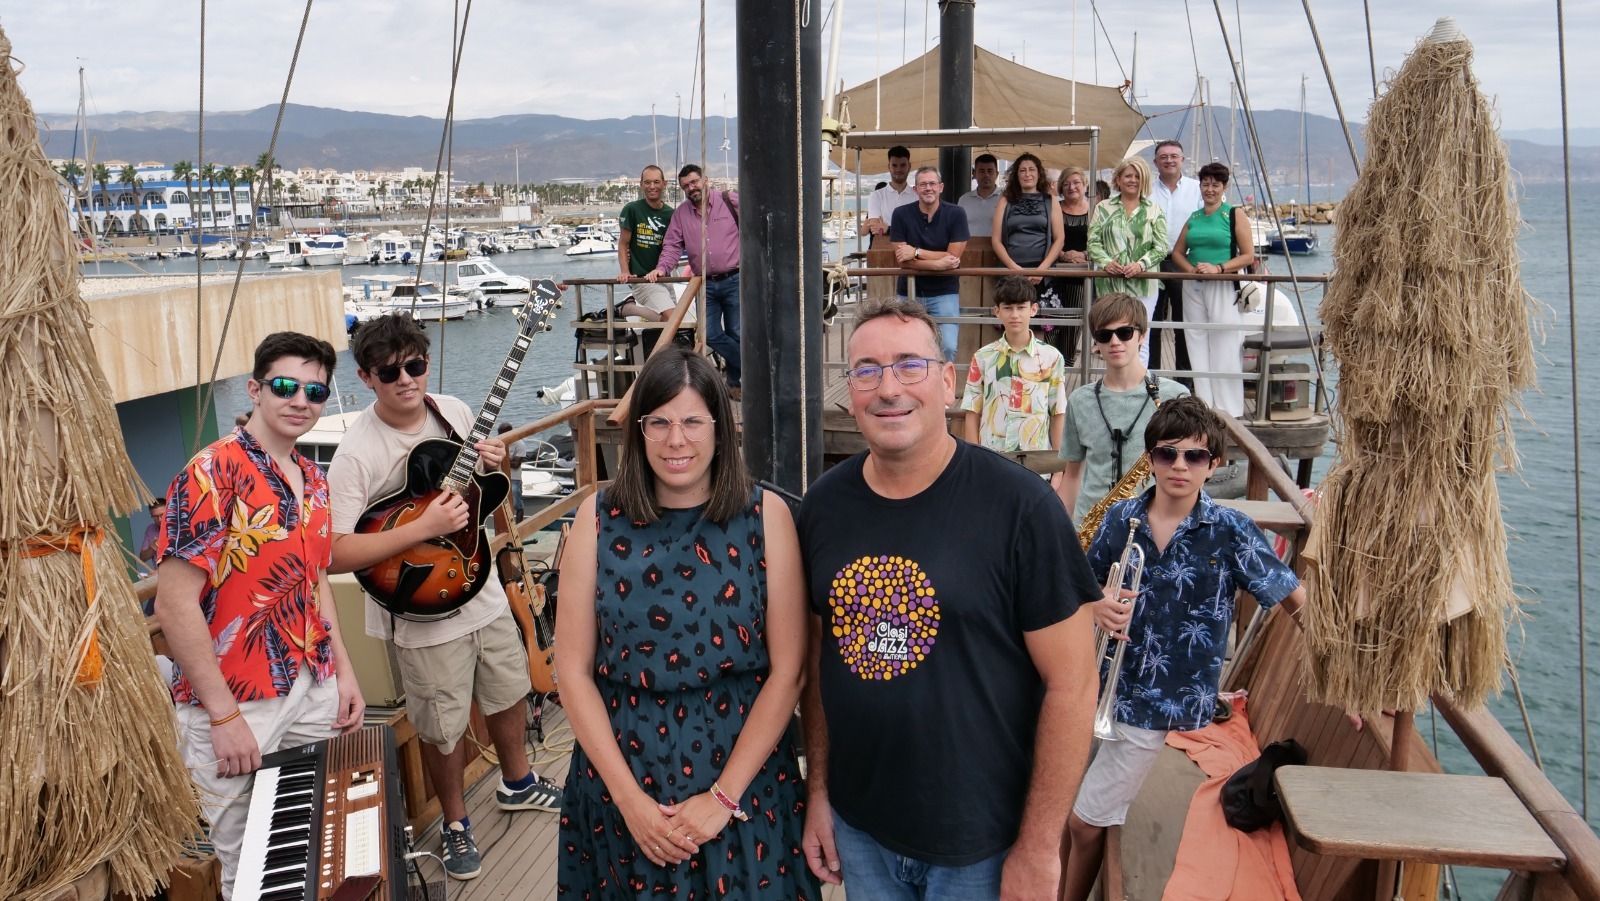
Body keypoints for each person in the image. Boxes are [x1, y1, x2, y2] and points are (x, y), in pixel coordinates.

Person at [798, 297, 1101, 900]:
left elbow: (1074, 684)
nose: (888, 388)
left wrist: (1040, 847)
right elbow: (817, 665)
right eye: (866, 370)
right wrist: (819, 794)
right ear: (849, 390)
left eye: (909, 365)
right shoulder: (823, 509)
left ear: (947, 382)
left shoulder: (1021, 509)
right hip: (862, 830)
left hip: (982, 843)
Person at [554, 347, 819, 899]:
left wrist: (722, 798)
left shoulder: (765, 517)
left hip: (741, 773)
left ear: (720, 430)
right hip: (623, 775)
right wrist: (629, 801)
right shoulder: (596, 520)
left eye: (693, 421)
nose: (677, 441)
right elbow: (572, 670)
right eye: (660, 423)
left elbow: (789, 670)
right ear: (640, 431)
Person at [326, 314, 562, 882]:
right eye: (390, 371)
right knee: (441, 722)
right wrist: (419, 528)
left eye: (416, 365)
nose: (407, 379)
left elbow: (476, 490)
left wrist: (495, 462)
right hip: (422, 604)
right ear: (366, 378)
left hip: (478, 583)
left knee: (507, 686)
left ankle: (518, 781)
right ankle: (456, 824)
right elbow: (334, 552)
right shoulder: (356, 453)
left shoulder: (451, 410)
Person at [1060, 396, 1305, 900]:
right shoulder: (1121, 518)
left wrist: (1351, 678)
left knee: (1084, 823)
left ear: (1214, 464)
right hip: (1105, 685)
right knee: (1069, 814)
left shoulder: (1231, 532)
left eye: (1195, 457)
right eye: (1168, 454)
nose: (1179, 466)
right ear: (1149, 459)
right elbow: (1074, 589)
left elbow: (1296, 602)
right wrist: (1098, 604)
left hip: (1161, 701)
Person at [153, 332, 365, 899]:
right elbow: (174, 604)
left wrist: (343, 671)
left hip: (311, 683)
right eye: (286, 386)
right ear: (255, 389)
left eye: (315, 391)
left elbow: (314, 580)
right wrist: (223, 717)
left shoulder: (313, 478)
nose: (301, 401)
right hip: (236, 700)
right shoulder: (211, 473)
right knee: (248, 861)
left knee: (319, 831)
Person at [1056, 293, 1189, 527]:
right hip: (1090, 526)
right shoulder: (1079, 400)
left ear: (1142, 334)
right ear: (1095, 341)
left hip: (1152, 526)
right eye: (1104, 335)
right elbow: (1072, 476)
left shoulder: (1175, 397)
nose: (1115, 342)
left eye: (1125, 332)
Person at [648, 164, 743, 400]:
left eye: (694, 182)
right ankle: (755, 367)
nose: (691, 188)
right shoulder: (681, 215)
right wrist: (662, 268)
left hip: (736, 279)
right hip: (705, 284)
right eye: (686, 186)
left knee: (737, 332)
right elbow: (671, 246)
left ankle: (734, 383)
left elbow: (756, 225)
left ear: (705, 180)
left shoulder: (730, 200)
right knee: (710, 334)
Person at [1172, 162, 1256, 417]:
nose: (1209, 189)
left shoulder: (1233, 214)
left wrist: (1218, 268)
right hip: (1194, 286)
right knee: (1195, 339)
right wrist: (1191, 271)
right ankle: (1205, 403)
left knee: (1225, 342)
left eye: (1215, 185)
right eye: (1205, 184)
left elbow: (1248, 256)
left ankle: (1229, 408)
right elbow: (1177, 252)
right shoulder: (1194, 217)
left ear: (1224, 187)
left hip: (1222, 284)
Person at [959, 275, 1068, 453]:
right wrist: (975, 460)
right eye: (1008, 308)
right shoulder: (982, 357)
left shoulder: (1052, 357)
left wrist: (1058, 467)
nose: (1015, 315)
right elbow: (972, 411)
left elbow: (1058, 412)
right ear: (997, 311)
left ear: (1033, 309)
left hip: (1035, 461)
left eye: (1021, 307)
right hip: (992, 459)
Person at [1087, 156, 1168, 366]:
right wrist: (1106, 262)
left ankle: (1138, 389)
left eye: (1137, 176)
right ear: (1119, 179)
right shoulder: (1103, 207)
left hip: (1144, 285)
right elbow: (1093, 243)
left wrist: (1141, 264)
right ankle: (1115, 386)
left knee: (1141, 338)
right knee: (1112, 337)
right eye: (1128, 175)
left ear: (1144, 180)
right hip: (1110, 284)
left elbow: (1161, 247)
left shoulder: (1154, 209)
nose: (1132, 180)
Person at [889, 166, 970, 362]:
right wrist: (937, 265)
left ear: (941, 187)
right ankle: (912, 390)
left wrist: (916, 252)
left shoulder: (957, 214)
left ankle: (942, 389)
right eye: (923, 184)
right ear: (915, 189)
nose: (928, 188)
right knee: (905, 348)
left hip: (945, 293)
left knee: (948, 347)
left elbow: (953, 258)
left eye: (932, 183)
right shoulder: (900, 214)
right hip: (908, 291)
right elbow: (903, 261)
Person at [1150, 140, 1204, 380]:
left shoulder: (1197, 189)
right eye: (1164, 157)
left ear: (1182, 159)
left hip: (1184, 262)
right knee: (1151, 321)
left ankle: (1184, 379)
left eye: (1174, 156)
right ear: (1156, 162)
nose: (1169, 160)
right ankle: (1150, 376)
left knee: (1185, 322)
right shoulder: (1146, 189)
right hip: (1151, 261)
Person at [991, 152, 1065, 288]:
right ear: (1016, 175)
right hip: (1011, 271)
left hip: (1043, 272)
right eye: (1022, 170)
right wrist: (1013, 268)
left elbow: (1059, 239)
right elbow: (996, 240)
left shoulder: (1051, 201)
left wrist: (1042, 269)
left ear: (1039, 174)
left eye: (1032, 169)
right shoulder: (1005, 200)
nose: (1027, 174)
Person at [617, 164, 678, 321]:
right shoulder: (632, 209)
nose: (652, 186)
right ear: (641, 184)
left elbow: (674, 245)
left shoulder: (671, 214)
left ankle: (628, 309)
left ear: (664, 184)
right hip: (642, 279)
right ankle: (629, 309)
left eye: (656, 182)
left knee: (674, 322)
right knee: (672, 318)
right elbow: (623, 243)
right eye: (647, 182)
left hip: (664, 277)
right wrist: (625, 271)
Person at [1050, 165, 1095, 361]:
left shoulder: (1095, 210)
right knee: (1051, 322)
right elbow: (1048, 238)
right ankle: (1049, 364)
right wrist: (1063, 254)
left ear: (1085, 184)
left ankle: (1066, 365)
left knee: (1073, 323)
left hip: (1081, 276)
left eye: (1076, 182)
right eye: (1066, 183)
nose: (1071, 187)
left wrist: (1084, 254)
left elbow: (1100, 240)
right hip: (1055, 274)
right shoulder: (1054, 208)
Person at [863, 144, 915, 237]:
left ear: (909, 166)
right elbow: (876, 229)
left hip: (912, 250)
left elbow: (922, 229)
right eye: (894, 165)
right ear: (889, 167)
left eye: (902, 165)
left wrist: (888, 229)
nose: (898, 169)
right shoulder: (876, 196)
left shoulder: (917, 195)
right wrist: (909, 229)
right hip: (884, 249)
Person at [957, 153, 1002, 238]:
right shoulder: (964, 200)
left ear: (997, 174)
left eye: (990, 171)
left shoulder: (1005, 198)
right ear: (974, 174)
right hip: (969, 249)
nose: (986, 175)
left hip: (998, 249)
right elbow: (957, 228)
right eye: (982, 171)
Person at [496, 422, 529, 521]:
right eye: (499, 434)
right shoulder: (498, 442)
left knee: (517, 504)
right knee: (500, 504)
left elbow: (516, 465)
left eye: (502, 434)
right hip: (500, 476)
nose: (500, 436)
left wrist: (502, 457)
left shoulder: (520, 444)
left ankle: (519, 527)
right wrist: (510, 459)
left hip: (514, 478)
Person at [137, 495, 167, 570]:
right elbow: (142, 558)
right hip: (160, 575)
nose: (159, 519)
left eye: (162, 515)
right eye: (155, 517)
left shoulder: (181, 527)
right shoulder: (150, 529)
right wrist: (153, 547)